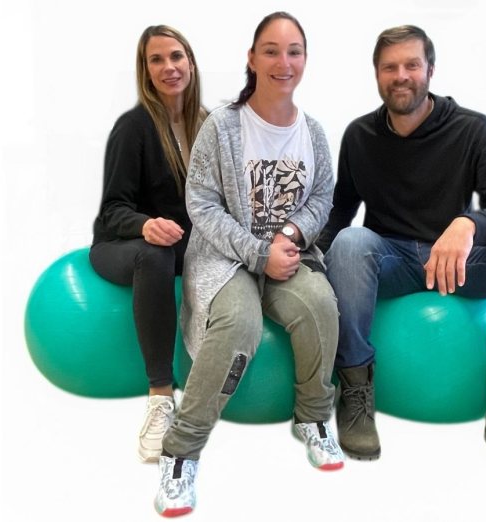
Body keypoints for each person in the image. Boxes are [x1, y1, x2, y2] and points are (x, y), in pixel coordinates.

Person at [316, 25, 486, 489]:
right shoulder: (360, 136)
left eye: (411, 65)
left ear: (430, 70)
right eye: (390, 67)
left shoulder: (472, 130)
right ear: (377, 75)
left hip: (460, 263)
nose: (401, 75)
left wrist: (470, 224)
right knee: (349, 242)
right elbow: (340, 212)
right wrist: (297, 254)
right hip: (393, 259)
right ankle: (356, 391)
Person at [154, 12, 344, 517]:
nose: (284, 62)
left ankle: (314, 417)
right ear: (252, 58)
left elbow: (322, 196)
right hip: (226, 258)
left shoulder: (314, 133)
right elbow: (202, 203)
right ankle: (180, 452)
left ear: (305, 59)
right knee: (239, 321)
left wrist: (290, 237)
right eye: (272, 50)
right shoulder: (222, 126)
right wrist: (258, 252)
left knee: (320, 303)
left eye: (295, 51)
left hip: (286, 255)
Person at [89, 25, 207, 464]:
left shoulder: (209, 126)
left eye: (175, 56)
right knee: (155, 253)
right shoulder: (133, 127)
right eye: (156, 60)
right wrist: (145, 225)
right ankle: (161, 395)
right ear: (145, 71)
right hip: (123, 247)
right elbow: (112, 209)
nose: (168, 67)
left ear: (190, 63)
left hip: (181, 251)